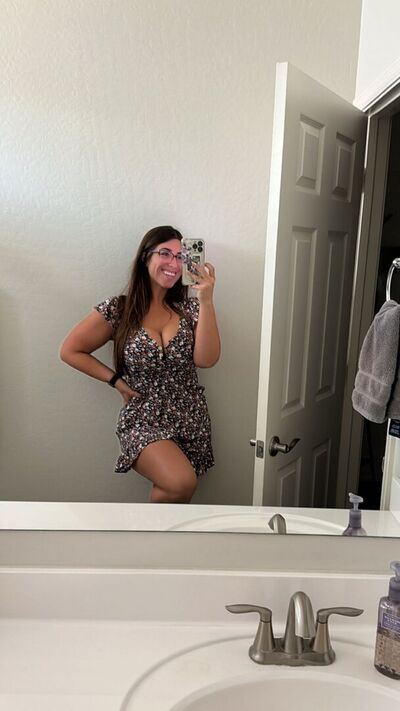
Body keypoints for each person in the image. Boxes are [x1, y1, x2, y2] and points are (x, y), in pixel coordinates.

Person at [60, 225, 220, 503]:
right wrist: (116, 381)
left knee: (176, 492)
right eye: (165, 253)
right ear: (146, 257)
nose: (174, 263)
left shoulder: (191, 310)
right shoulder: (118, 310)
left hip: (190, 416)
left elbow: (206, 360)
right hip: (143, 415)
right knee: (180, 482)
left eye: (181, 256)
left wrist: (206, 300)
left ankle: (153, 533)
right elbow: (71, 350)